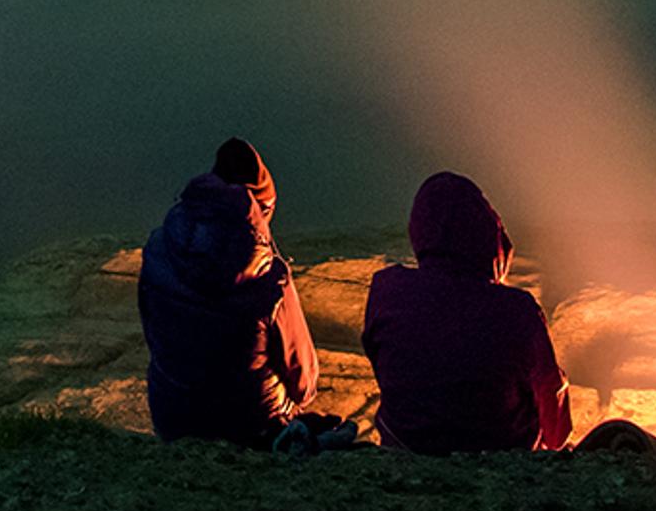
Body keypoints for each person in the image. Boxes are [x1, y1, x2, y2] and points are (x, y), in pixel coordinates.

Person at [361, 170, 569, 453]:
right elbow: (556, 429)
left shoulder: (386, 291)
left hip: (406, 452)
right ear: (490, 233)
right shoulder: (518, 311)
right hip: (501, 463)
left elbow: (387, 368)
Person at [136, 136, 322, 445]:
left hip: (172, 419)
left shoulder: (157, 249)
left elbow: (153, 335)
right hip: (252, 426)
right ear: (259, 208)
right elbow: (304, 383)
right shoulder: (271, 280)